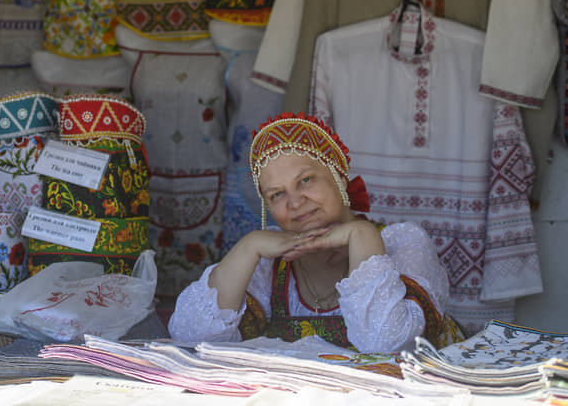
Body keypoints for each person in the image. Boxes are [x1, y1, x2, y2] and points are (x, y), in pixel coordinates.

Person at [168, 112, 463, 352]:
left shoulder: (402, 243)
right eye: (276, 195)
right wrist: (249, 245)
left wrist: (360, 235)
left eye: (306, 180)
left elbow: (386, 344)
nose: (295, 202)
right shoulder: (269, 261)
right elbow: (192, 337)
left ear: (340, 178)